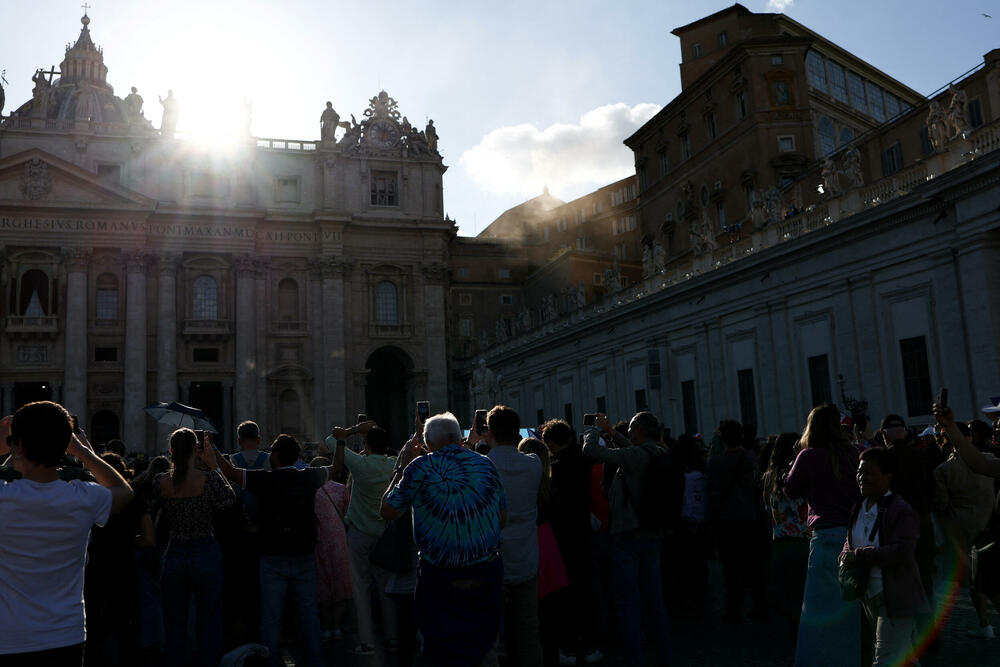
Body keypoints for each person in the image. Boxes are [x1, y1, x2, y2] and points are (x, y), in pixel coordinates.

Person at [0, 402, 133, 665]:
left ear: (18, 446)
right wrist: (83, 452)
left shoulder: (5, 497)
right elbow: (124, 491)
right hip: (66, 634)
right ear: (64, 446)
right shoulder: (83, 497)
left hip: (10, 636)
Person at [381, 412, 506, 667]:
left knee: (441, 651)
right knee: (483, 646)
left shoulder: (420, 467)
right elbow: (502, 517)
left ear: (428, 444)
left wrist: (402, 466)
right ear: (460, 438)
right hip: (486, 571)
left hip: (440, 575)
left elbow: (388, 510)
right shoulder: (486, 465)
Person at [218, 434, 329, 667]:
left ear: (275, 456)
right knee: (309, 615)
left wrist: (210, 449)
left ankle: (272, 662)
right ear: (297, 456)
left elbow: (229, 472)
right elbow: (336, 468)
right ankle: (315, 661)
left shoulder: (265, 479)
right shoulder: (309, 476)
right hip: (303, 553)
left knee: (271, 617)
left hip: (272, 556)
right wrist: (339, 442)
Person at [582, 412, 672, 667]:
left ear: (640, 431)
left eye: (631, 428)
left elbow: (592, 453)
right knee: (655, 601)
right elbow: (633, 449)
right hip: (653, 532)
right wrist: (613, 432)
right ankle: (664, 654)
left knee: (629, 603)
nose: (629, 432)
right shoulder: (660, 453)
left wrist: (594, 431)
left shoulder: (634, 457)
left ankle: (634, 657)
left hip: (629, 535)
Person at [784, 403, 862, 667]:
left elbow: (790, 489)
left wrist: (796, 459)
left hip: (825, 533)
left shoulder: (808, 456)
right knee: (848, 608)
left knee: (817, 608)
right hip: (854, 535)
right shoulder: (855, 452)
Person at [154, 429, 236, 667]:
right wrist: (214, 466)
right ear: (195, 451)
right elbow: (229, 501)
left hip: (175, 551)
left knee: (174, 624)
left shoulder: (160, 481)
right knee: (210, 620)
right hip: (205, 551)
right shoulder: (208, 479)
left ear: (170, 451)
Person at [841, 447, 929, 666]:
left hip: (895, 595)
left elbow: (903, 551)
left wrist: (858, 556)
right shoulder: (859, 506)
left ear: (888, 476)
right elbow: (852, 539)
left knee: (885, 658)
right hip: (869, 593)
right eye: (860, 472)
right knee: (903, 653)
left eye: (868, 473)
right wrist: (845, 554)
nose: (861, 478)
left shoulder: (901, 510)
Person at [325, 421, 397, 656]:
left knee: (361, 587)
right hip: (384, 533)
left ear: (366, 445)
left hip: (359, 533)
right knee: (386, 586)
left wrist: (352, 430)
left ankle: (366, 641)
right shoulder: (393, 465)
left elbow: (330, 441)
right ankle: (392, 637)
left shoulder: (360, 464)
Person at [540, 419, 602, 664]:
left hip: (564, 536)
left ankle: (567, 646)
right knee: (586, 592)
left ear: (553, 443)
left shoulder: (557, 468)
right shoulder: (585, 459)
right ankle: (590, 644)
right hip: (585, 532)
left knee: (565, 596)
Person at [485, 405, 544, 667]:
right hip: (527, 557)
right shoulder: (534, 464)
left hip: (491, 559)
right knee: (529, 631)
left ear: (489, 432)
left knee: (490, 635)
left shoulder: (482, 466)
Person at [933, 422, 998, 637]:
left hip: (962, 530)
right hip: (988, 524)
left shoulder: (943, 471)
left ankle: (984, 623)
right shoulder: (990, 460)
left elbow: (941, 504)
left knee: (975, 580)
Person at [707, 418, 767, 623]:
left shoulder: (715, 462)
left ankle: (733, 609)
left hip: (726, 520)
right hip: (749, 517)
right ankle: (760, 606)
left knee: (730, 569)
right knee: (754, 566)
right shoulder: (750, 458)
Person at [761, 432, 810, 649]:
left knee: (791, 600)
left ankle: (796, 645)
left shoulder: (770, 478)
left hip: (781, 543)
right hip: (803, 541)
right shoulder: (801, 475)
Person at [309, 456, 351, 643]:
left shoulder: (310, 491)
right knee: (340, 583)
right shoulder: (341, 489)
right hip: (338, 538)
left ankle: (325, 628)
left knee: (322, 585)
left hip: (318, 540)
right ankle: (337, 627)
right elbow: (347, 513)